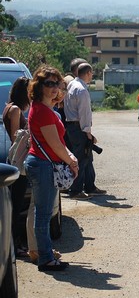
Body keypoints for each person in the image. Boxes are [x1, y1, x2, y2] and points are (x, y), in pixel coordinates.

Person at [24, 65, 78, 271]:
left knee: (44, 213)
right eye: (49, 84)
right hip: (42, 165)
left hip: (43, 164)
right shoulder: (43, 112)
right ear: (39, 86)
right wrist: (72, 162)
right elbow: (55, 144)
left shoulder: (44, 109)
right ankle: (45, 258)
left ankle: (45, 253)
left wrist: (69, 156)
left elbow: (58, 143)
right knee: (44, 214)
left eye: (57, 83)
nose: (55, 88)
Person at [64, 63, 106, 199]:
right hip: (79, 128)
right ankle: (76, 190)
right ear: (88, 73)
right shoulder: (82, 90)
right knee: (81, 159)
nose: (92, 76)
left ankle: (90, 186)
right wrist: (88, 132)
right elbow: (84, 113)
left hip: (72, 126)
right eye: (91, 73)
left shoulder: (72, 85)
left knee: (87, 158)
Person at [2, 76, 31, 258]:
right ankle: (15, 243)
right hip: (17, 162)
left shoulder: (10, 107)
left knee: (16, 204)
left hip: (15, 160)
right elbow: (16, 138)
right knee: (16, 205)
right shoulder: (14, 110)